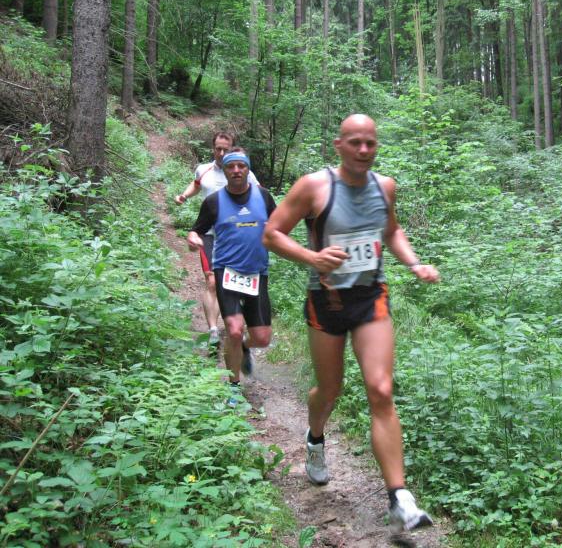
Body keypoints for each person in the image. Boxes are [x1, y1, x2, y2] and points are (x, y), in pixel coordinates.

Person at [263, 114, 440, 531]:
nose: (363, 150)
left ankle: (400, 498)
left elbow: (391, 231)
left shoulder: (385, 186)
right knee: (330, 390)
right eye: (355, 142)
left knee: (381, 390)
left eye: (370, 143)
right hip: (326, 301)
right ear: (338, 145)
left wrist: (414, 263)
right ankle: (315, 437)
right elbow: (272, 234)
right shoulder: (314, 187)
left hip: (370, 297)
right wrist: (312, 257)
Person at [187, 149, 275, 407]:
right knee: (234, 330)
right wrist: (192, 238)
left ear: (248, 169)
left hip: (257, 272)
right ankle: (234, 386)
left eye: (241, 166)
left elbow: (280, 224)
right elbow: (197, 230)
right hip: (226, 271)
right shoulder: (214, 201)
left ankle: (245, 348)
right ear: (224, 171)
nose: (236, 170)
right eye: (231, 167)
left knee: (262, 338)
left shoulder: (264, 197)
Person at [174, 132, 259, 351]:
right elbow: (197, 185)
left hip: (237, 234)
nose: (221, 153)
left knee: (236, 279)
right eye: (218, 148)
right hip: (209, 233)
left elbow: (259, 195)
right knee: (211, 281)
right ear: (213, 148)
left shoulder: (243, 171)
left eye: (225, 149)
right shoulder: (204, 169)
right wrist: (184, 196)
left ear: (232, 149)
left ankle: (237, 323)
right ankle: (213, 330)